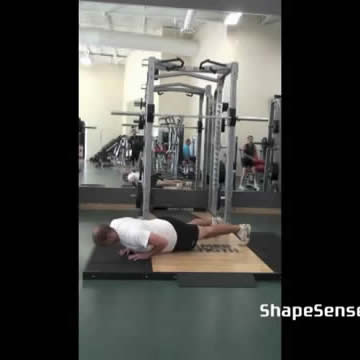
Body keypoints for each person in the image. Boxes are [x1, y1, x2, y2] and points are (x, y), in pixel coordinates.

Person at [92, 216, 252, 261]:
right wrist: (130, 246)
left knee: (206, 233)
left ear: (109, 234)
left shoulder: (134, 234)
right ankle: (213, 220)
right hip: (163, 223)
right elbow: (137, 222)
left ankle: (240, 228)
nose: (108, 246)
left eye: (106, 243)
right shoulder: (115, 223)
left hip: (174, 235)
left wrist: (147, 254)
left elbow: (163, 243)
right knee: (193, 226)